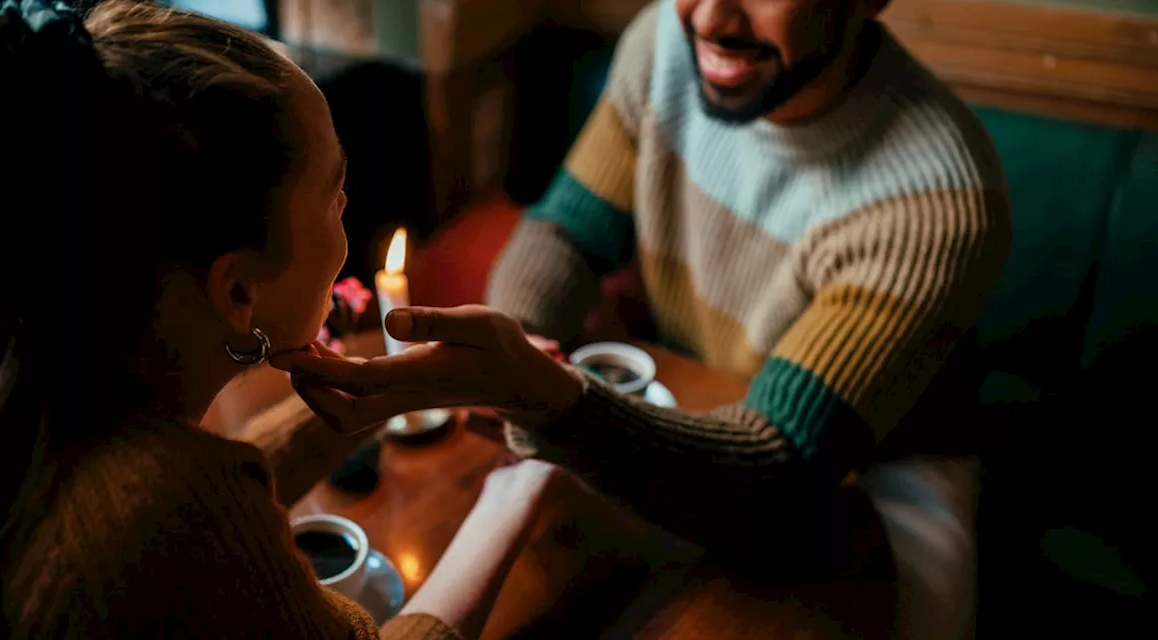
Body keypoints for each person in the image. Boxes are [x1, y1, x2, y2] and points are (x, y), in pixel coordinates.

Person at [281, 1, 1012, 638]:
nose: (711, 18)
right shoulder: (664, 42)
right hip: (692, 402)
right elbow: (564, 233)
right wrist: (517, 332)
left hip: (876, 479)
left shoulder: (936, 198)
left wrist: (544, 396)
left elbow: (775, 471)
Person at [0, 2, 592, 638]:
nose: (350, 210)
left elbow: (187, 525)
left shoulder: (9, 381)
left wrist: (380, 393)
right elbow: (185, 518)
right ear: (238, 290)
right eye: (335, 193)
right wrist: (511, 498)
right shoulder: (166, 503)